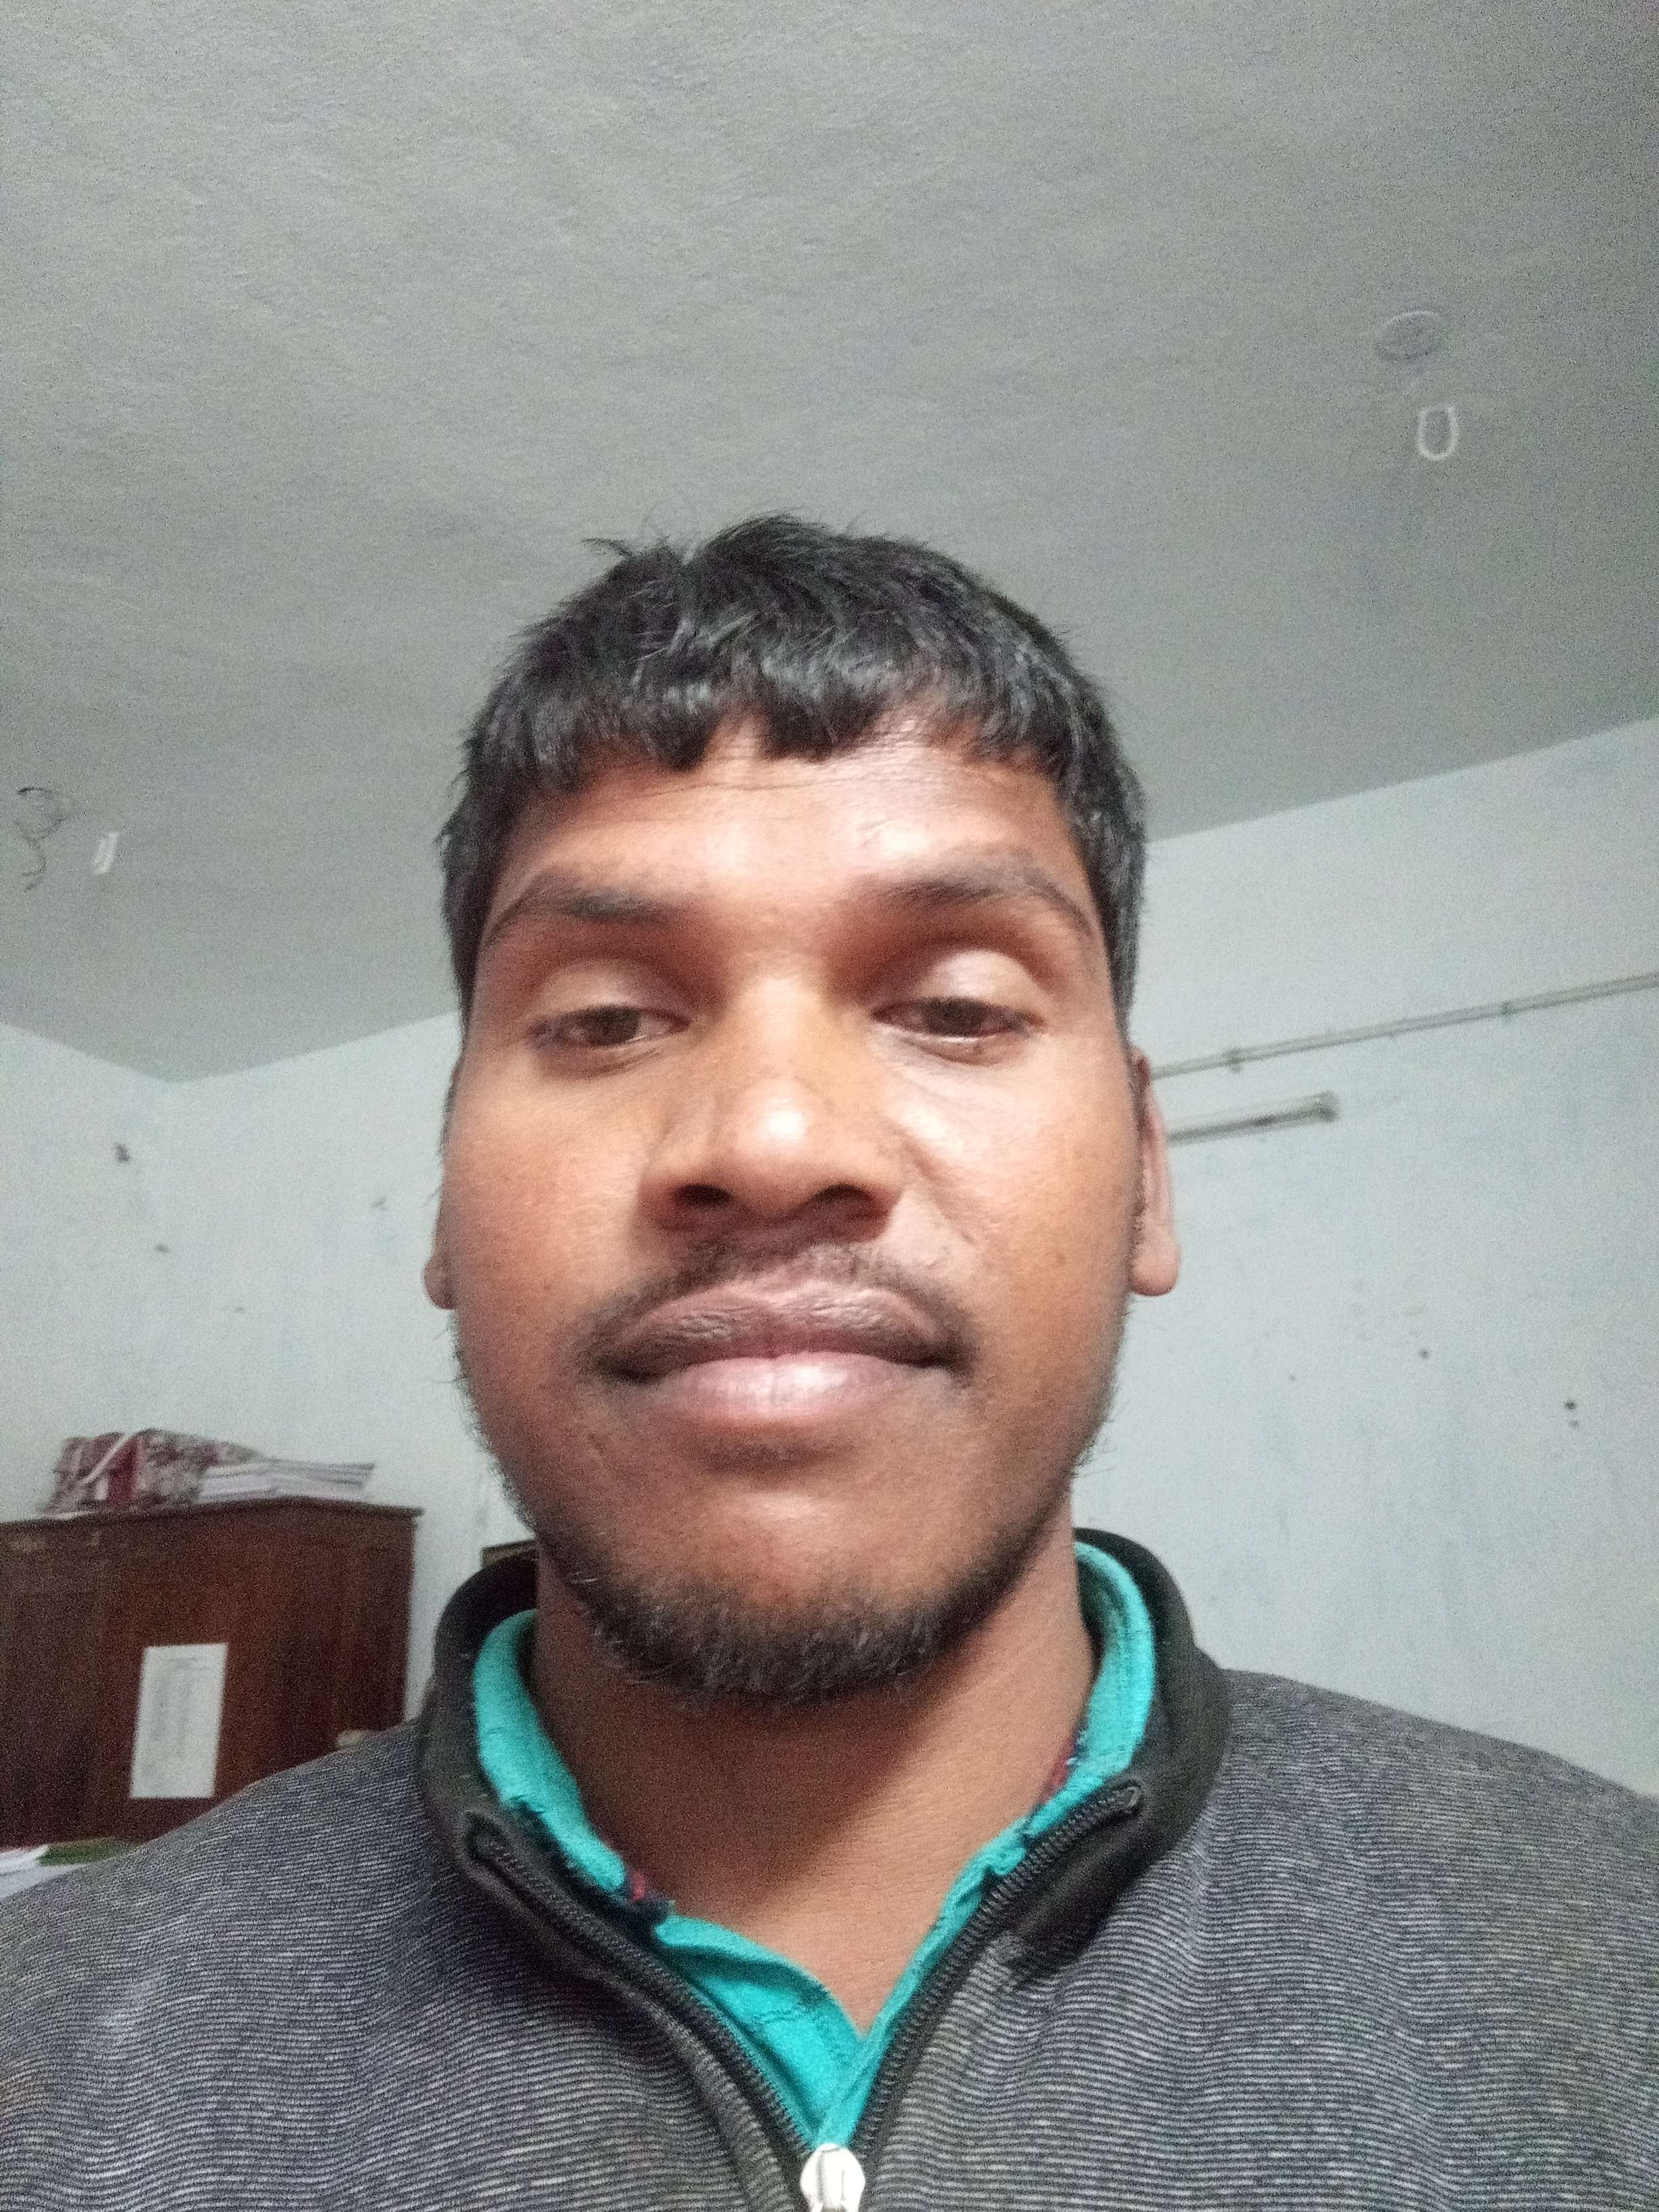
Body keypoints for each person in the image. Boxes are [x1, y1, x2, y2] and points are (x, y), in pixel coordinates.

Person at [3, 518, 1654, 2210]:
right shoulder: (38, 2061)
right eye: (603, 1018)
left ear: (1148, 1180)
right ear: (443, 1200)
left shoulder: (1615, 1968)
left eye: (956, 1007)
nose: (774, 1141)